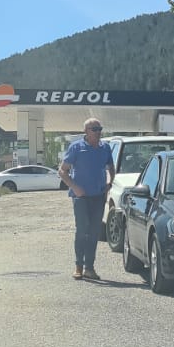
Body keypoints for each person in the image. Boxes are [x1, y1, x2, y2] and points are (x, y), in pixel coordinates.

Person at [59, 117, 114, 280]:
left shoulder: (105, 148)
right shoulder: (76, 148)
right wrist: (75, 187)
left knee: (94, 232)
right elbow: (62, 171)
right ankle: (78, 266)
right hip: (80, 197)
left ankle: (90, 267)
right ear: (86, 132)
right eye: (95, 129)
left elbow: (111, 167)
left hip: (98, 196)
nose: (98, 132)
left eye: (100, 129)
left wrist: (110, 182)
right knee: (82, 231)